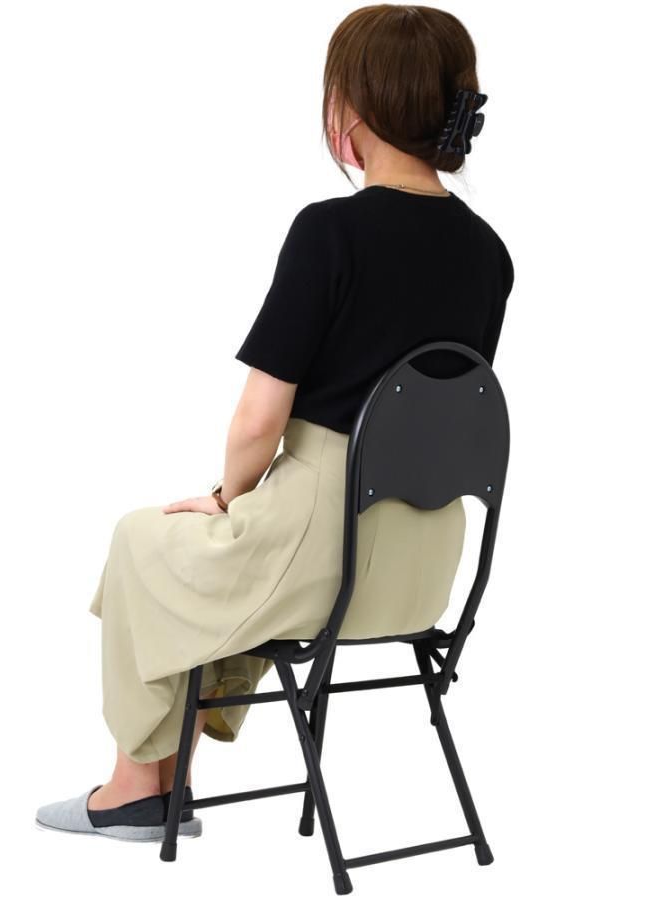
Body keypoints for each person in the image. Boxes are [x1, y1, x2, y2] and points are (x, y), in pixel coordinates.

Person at [35, 3, 514, 843]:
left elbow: (260, 421)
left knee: (143, 539)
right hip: (424, 567)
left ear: (351, 106)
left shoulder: (332, 232)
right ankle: (168, 779)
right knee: (213, 562)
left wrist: (226, 496)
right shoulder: (489, 254)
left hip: (321, 546)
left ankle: (136, 787)